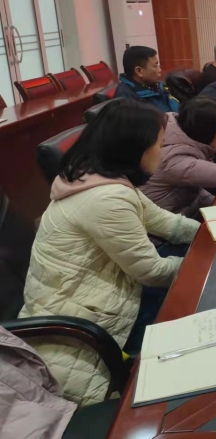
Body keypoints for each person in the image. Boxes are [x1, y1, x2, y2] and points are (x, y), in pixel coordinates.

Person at [18, 100, 200, 405]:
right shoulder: (106, 198)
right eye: (160, 144)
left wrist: (214, 232)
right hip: (83, 329)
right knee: (196, 311)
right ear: (134, 149)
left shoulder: (100, 179)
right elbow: (152, 272)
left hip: (104, 299)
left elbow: (167, 223)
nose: (163, 151)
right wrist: (205, 260)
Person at [142, 98, 216, 216]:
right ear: (206, 135)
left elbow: (195, 192)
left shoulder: (179, 131)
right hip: (175, 219)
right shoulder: (175, 159)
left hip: (188, 210)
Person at [115, 45, 179, 112]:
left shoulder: (158, 86)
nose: (160, 70)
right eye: (155, 66)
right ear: (139, 71)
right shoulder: (127, 100)